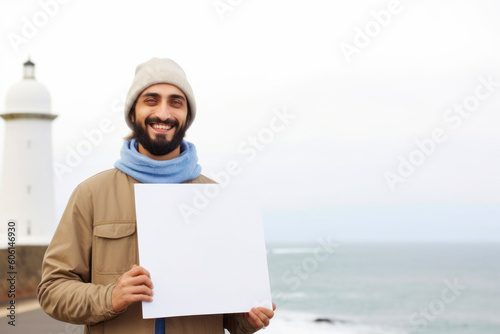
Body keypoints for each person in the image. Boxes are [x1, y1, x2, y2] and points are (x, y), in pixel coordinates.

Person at [37, 58, 275, 334]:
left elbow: (231, 316)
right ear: (132, 113)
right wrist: (110, 297)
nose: (164, 113)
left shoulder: (218, 200)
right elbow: (52, 291)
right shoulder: (91, 194)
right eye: (151, 100)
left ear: (187, 116)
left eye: (176, 102)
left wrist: (248, 319)